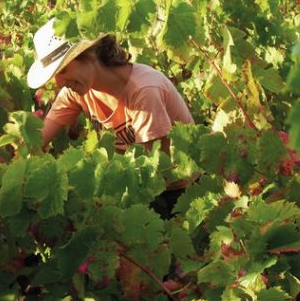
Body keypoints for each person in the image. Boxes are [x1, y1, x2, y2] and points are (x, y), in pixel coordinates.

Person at [26, 18, 195, 217]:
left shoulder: (143, 90)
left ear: (88, 55)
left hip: (176, 191)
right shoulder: (77, 92)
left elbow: (148, 173)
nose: (59, 82)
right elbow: (38, 140)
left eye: (63, 70)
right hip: (130, 182)